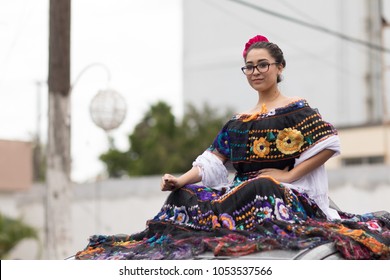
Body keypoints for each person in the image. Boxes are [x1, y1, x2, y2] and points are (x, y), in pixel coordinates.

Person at [75, 35, 390, 260]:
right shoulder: (237, 123)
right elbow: (212, 161)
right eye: (249, 67)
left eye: (262, 65)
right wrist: (180, 180)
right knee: (182, 197)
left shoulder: (297, 109)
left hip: (278, 193)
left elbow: (329, 143)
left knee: (262, 184)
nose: (255, 72)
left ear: (280, 68)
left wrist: (289, 175)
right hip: (241, 192)